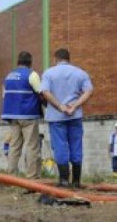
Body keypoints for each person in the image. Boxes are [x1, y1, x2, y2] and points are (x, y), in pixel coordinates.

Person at [40, 48, 93, 188]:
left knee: (60, 147)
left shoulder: (49, 73)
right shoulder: (80, 73)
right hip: (75, 116)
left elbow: (45, 92)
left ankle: (64, 180)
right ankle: (76, 181)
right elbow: (88, 91)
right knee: (76, 145)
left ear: (55, 59)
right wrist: (75, 105)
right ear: (69, 59)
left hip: (57, 117)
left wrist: (60, 106)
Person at [1, 51, 43, 180]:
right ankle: (31, 176)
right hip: (28, 115)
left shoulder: (8, 76)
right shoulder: (32, 74)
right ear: (30, 62)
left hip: (12, 115)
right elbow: (41, 93)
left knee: (14, 146)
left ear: (18, 62)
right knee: (31, 146)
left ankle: (11, 177)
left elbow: (4, 95)